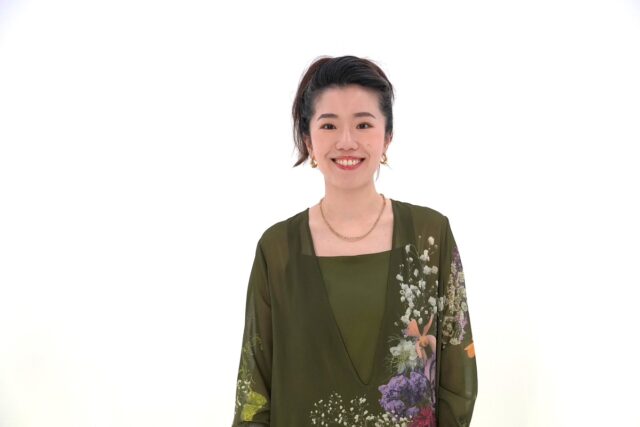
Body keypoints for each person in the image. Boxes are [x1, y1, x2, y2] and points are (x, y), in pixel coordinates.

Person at [231, 55, 478, 426]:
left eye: (363, 124)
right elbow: (253, 389)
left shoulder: (430, 236)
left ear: (387, 136)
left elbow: (459, 381)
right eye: (329, 125)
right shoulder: (278, 250)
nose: (346, 141)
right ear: (308, 139)